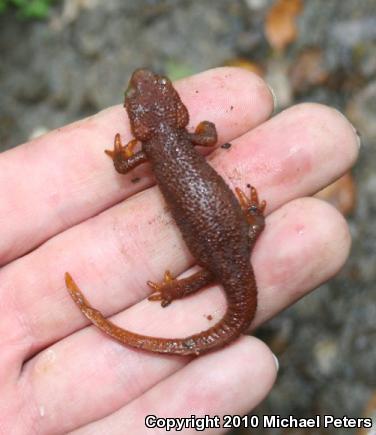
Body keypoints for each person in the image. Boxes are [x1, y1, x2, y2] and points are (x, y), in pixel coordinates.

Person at [0, 67, 359, 434]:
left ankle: (187, 279)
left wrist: (121, 153)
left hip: (227, 248)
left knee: (216, 266)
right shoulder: (184, 136)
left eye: (154, 88)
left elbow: (123, 164)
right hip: (237, 237)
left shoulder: (147, 150)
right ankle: (243, 227)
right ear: (177, 110)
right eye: (134, 94)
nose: (141, 80)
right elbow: (211, 134)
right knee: (225, 255)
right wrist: (250, 216)